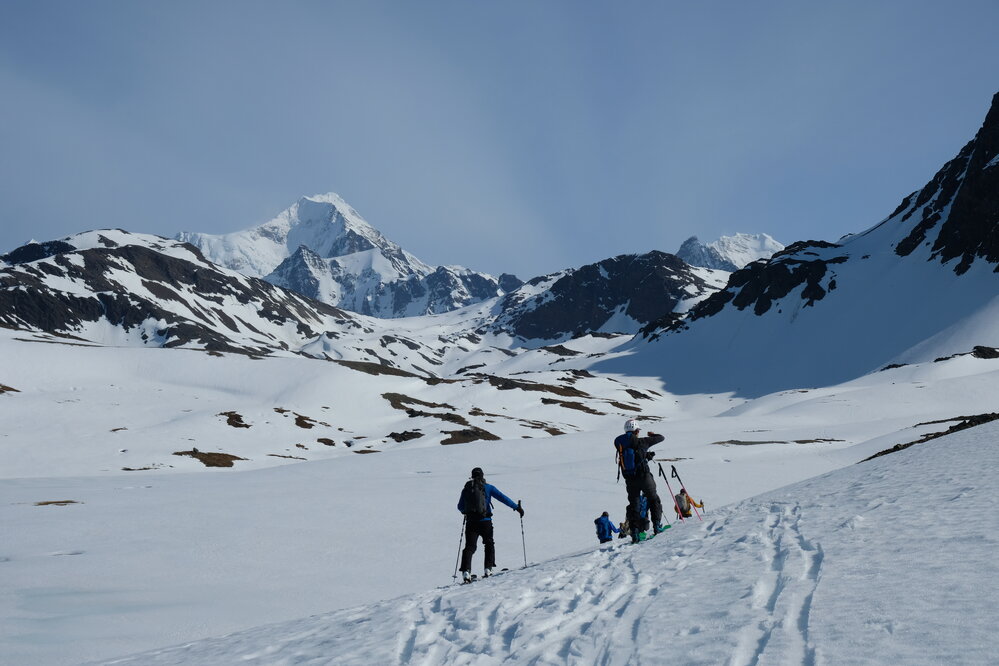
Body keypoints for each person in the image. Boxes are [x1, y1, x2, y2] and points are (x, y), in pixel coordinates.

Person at [457, 467, 523, 583]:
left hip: (471, 522)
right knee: (488, 543)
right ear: (482, 475)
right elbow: (503, 498)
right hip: (485, 521)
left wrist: (466, 511)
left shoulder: (467, 489)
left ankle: (466, 572)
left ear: (472, 476)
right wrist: (516, 507)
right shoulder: (488, 487)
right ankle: (488, 569)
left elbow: (460, 507)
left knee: (470, 547)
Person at [614, 419, 666, 542]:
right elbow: (661, 438)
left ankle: (635, 533)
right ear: (637, 430)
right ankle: (657, 526)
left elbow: (633, 456)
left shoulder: (619, 443)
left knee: (634, 506)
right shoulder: (643, 441)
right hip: (644, 477)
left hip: (630, 479)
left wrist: (646, 456)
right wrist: (652, 435)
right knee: (654, 499)